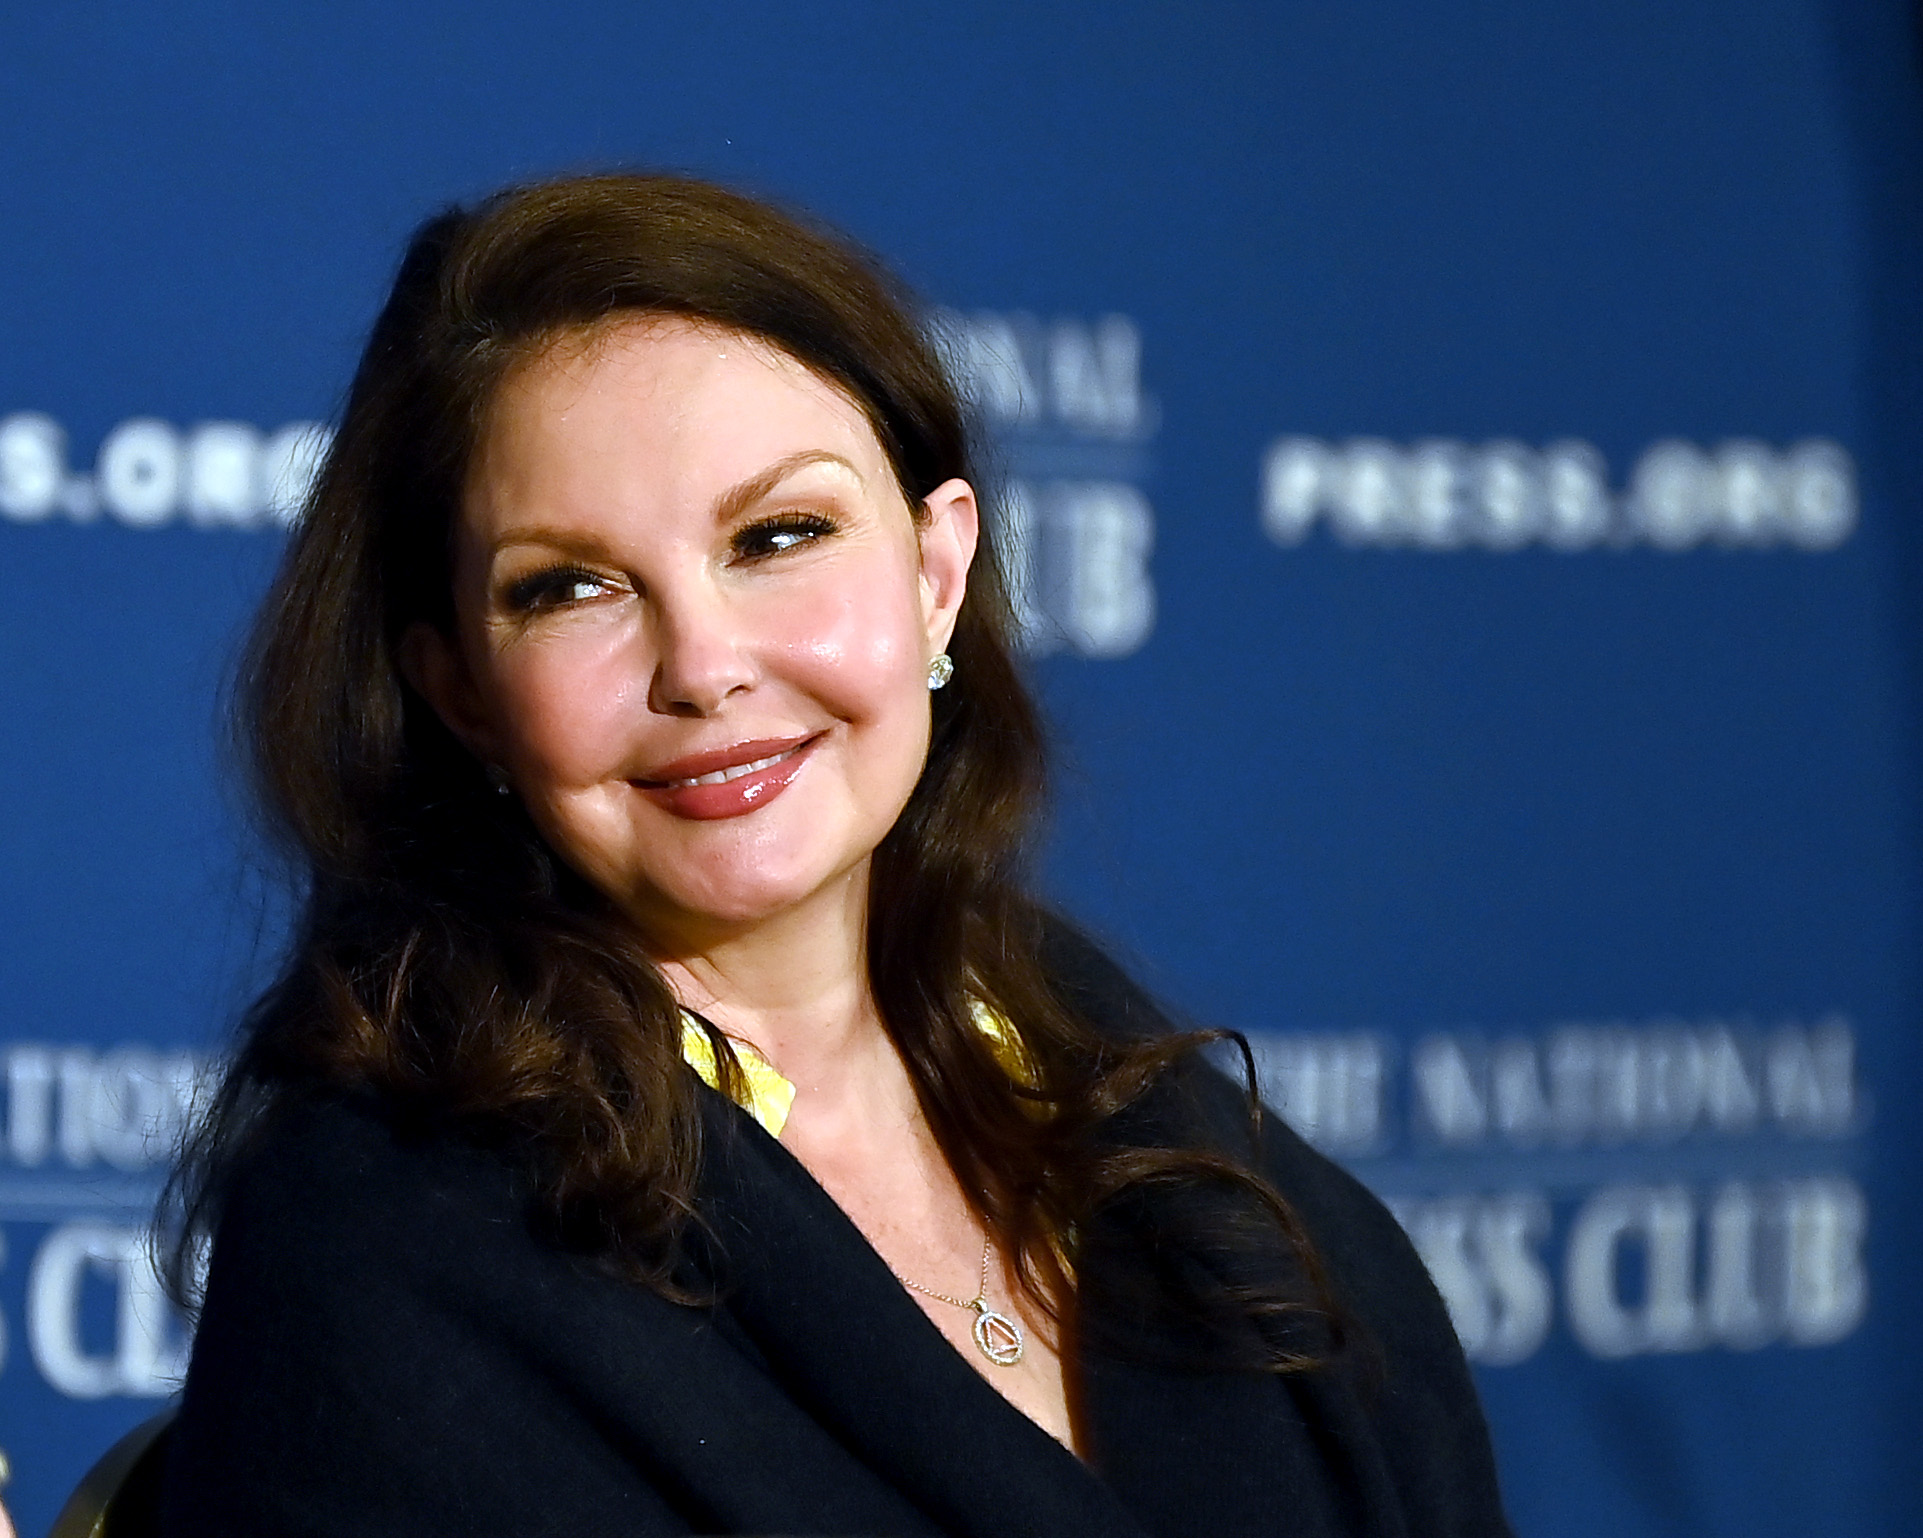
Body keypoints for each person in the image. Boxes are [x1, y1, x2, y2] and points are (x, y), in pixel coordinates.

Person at [156, 172, 1512, 1537]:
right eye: (570, 586)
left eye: (779, 535)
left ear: (937, 574)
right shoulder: (385, 1237)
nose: (704, 665)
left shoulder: (1111, 1076)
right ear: (460, 692)